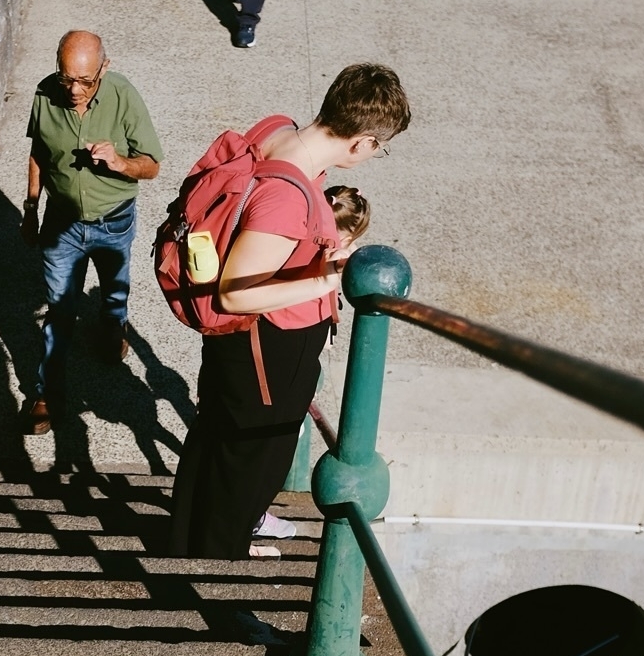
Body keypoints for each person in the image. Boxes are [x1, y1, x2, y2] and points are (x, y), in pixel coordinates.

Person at [169, 63, 409, 559]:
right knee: (248, 462)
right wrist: (327, 277)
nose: (374, 156)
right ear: (362, 141)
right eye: (379, 148)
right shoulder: (288, 194)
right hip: (265, 347)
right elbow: (236, 293)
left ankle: (186, 548)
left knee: (218, 442)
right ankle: (213, 568)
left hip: (245, 346)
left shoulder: (277, 130)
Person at [21, 30, 165, 435]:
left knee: (114, 291)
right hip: (62, 224)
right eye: (67, 78)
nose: (74, 90)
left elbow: (152, 164)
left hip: (113, 221)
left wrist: (120, 162)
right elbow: (38, 151)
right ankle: (45, 392)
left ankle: (113, 326)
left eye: (85, 81)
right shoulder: (46, 94)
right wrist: (31, 207)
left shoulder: (123, 96)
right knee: (60, 311)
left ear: (104, 67)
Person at [251, 184, 371, 543]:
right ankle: (252, 515)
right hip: (290, 338)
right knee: (276, 437)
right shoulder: (326, 256)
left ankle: (250, 512)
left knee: (274, 433)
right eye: (350, 238)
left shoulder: (301, 241)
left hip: (286, 335)